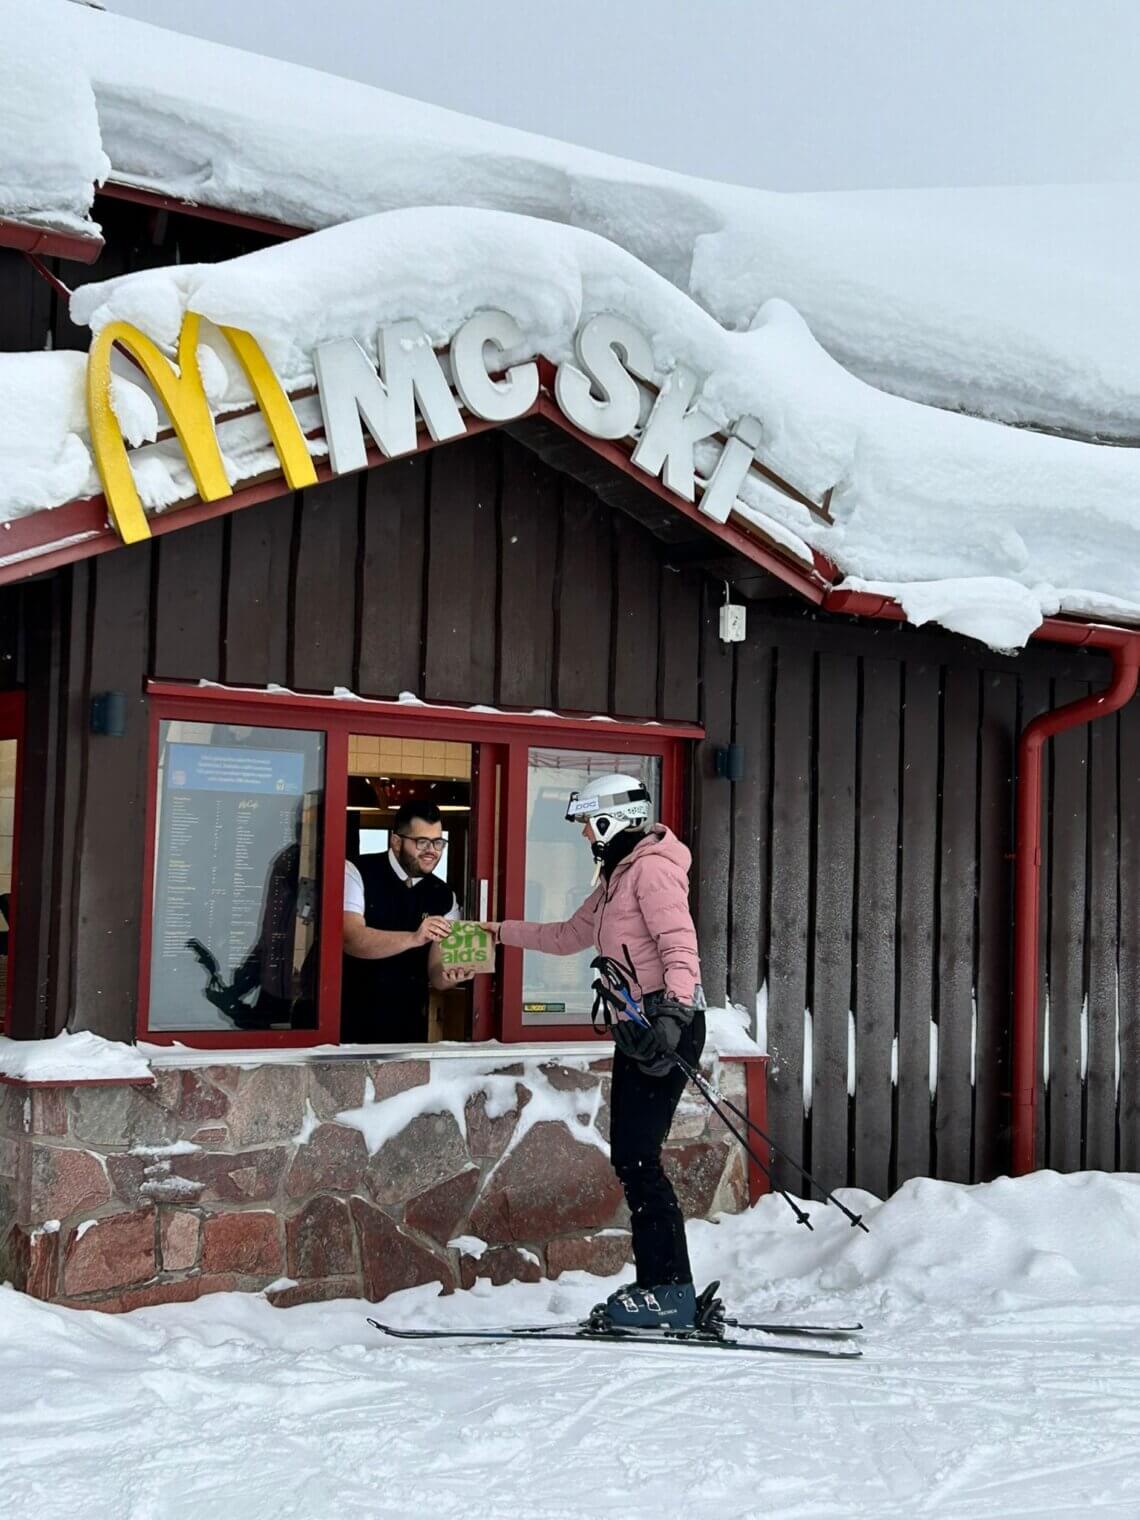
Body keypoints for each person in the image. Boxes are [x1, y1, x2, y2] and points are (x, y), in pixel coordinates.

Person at [482, 772, 705, 1330]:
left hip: (665, 1023)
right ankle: (659, 1282)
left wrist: (675, 1015)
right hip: (640, 1025)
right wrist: (497, 932)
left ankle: (671, 1290)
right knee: (630, 1155)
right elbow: (565, 935)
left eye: (587, 822)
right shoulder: (615, 880)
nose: (584, 834)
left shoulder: (651, 870)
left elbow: (680, 945)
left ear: (613, 819)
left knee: (637, 1156)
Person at [342, 799, 474, 1042]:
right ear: (396, 841)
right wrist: (415, 938)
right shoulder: (356, 871)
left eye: (438, 842)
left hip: (407, 1023)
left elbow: (436, 972)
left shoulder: (444, 896)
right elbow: (350, 938)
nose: (432, 850)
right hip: (346, 1018)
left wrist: (451, 976)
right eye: (422, 842)